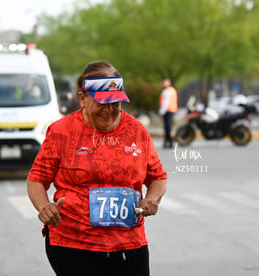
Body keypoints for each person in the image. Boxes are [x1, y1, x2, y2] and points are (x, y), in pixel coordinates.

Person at [27, 61, 167, 276]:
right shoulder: (61, 132)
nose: (110, 110)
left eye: (116, 102)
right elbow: (37, 178)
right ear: (82, 98)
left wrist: (152, 199)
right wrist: (44, 206)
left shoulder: (137, 131)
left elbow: (157, 177)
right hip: (72, 242)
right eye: (102, 102)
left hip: (129, 242)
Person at [158, 77, 178, 148]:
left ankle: (170, 142)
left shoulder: (166, 91)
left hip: (167, 111)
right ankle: (168, 142)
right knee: (169, 127)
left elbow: (165, 103)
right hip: (172, 110)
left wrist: (161, 112)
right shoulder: (172, 90)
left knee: (167, 128)